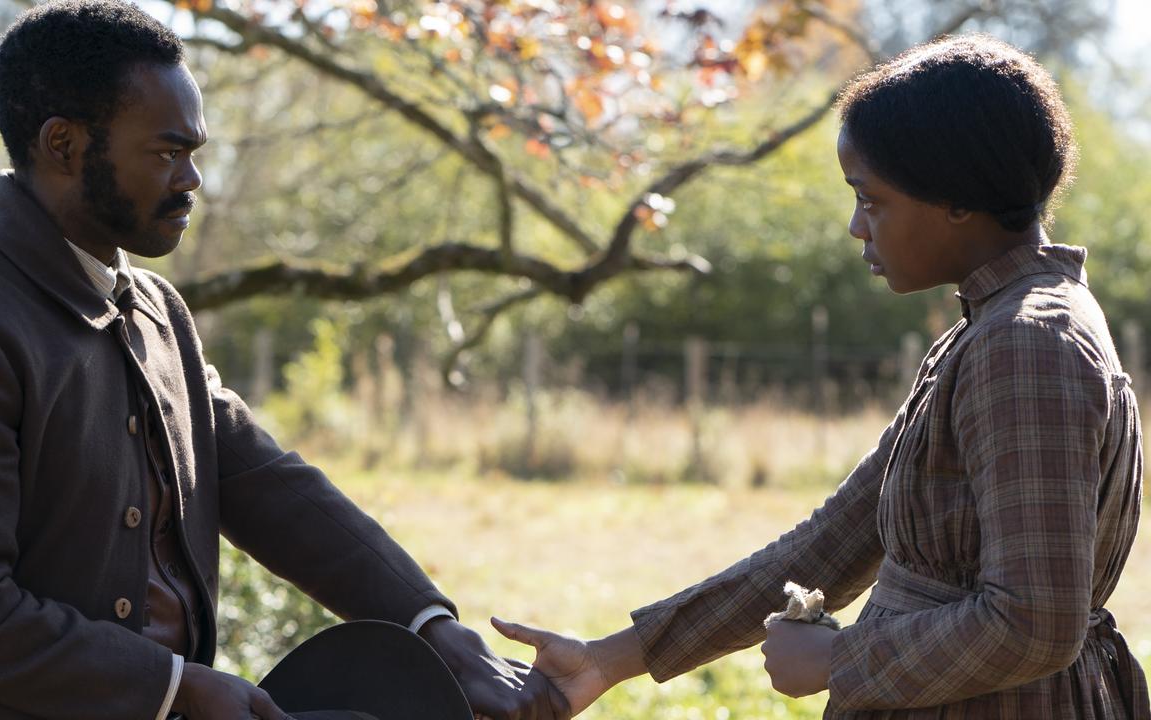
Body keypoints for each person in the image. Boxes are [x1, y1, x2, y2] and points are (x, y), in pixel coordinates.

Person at [0, 2, 567, 719]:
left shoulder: (156, 311)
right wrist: (175, 687)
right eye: (168, 152)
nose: (192, 179)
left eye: (194, 153)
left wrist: (434, 629)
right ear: (63, 145)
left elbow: (264, 482)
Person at [492, 34, 1150, 719]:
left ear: (957, 198)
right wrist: (611, 657)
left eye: (871, 199)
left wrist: (841, 659)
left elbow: (1034, 623)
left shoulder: (1028, 343)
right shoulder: (987, 332)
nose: (855, 226)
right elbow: (835, 541)